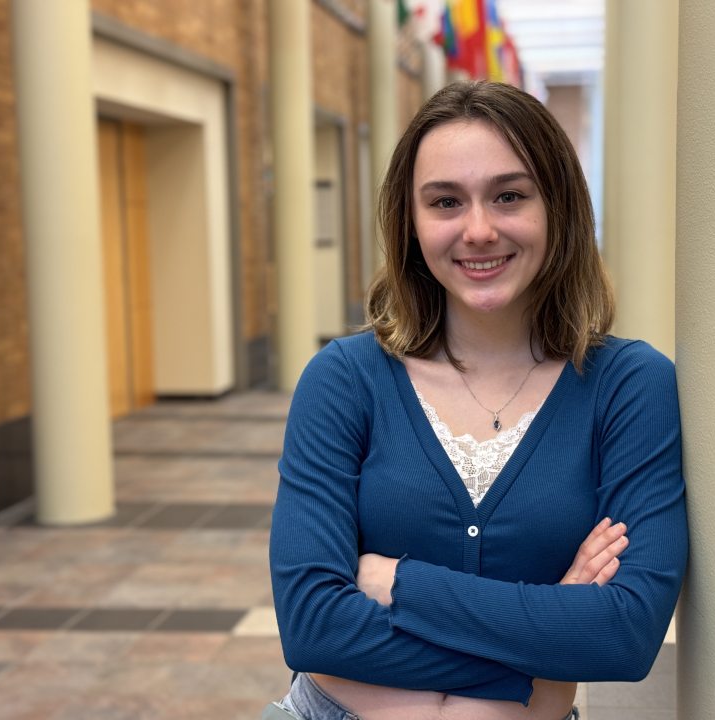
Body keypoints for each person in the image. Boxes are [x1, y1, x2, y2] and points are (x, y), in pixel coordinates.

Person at [267, 81, 687, 720]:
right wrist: (550, 634)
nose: (479, 230)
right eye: (445, 202)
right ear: (410, 223)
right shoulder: (345, 379)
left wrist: (396, 582)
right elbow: (313, 626)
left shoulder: (628, 386)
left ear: (560, 208)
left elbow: (625, 638)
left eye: (510, 196)